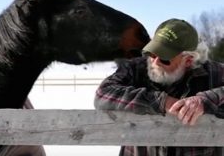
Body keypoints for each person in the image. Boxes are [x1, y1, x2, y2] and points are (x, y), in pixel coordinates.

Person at [94, 18, 224, 156]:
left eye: (164, 58)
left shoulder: (213, 73)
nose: (154, 62)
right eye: (152, 53)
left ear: (188, 60)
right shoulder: (135, 68)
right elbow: (102, 94)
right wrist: (160, 101)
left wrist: (206, 100)